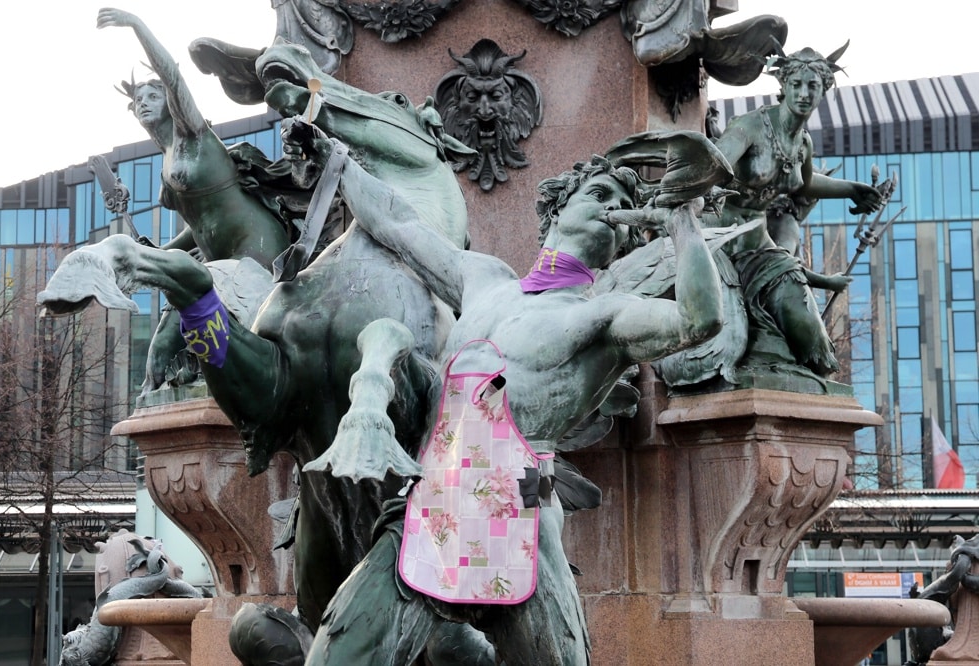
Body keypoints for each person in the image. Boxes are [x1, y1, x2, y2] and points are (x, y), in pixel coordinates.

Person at [299, 137, 726, 664]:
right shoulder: (483, 280)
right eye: (598, 192)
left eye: (620, 202)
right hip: (431, 510)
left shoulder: (605, 316)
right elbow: (397, 225)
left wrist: (681, 220)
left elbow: (698, 319)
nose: (610, 207)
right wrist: (336, 159)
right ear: (558, 209)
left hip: (523, 520)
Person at [98, 8, 296, 391]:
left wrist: (137, 25)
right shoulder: (168, 158)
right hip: (216, 260)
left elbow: (172, 74)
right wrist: (153, 253)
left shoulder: (192, 132)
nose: (144, 102)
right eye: (138, 99)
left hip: (255, 251)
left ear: (170, 101)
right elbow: (198, 227)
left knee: (192, 342)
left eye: (153, 95)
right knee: (165, 343)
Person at [696, 43, 881, 378]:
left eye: (812, 86)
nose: (804, 93)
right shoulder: (751, 127)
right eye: (796, 84)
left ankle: (814, 392)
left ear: (824, 90)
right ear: (783, 86)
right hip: (717, 237)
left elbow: (805, 184)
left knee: (809, 328)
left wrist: (853, 189)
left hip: (757, 240)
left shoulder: (802, 142)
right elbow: (709, 166)